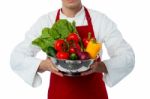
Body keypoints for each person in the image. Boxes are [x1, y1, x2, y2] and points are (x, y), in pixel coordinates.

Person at [10, 0, 135, 99]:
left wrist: (101, 66)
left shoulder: (100, 20)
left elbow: (128, 57)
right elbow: (17, 57)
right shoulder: (46, 21)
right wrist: (43, 65)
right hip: (59, 96)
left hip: (94, 95)